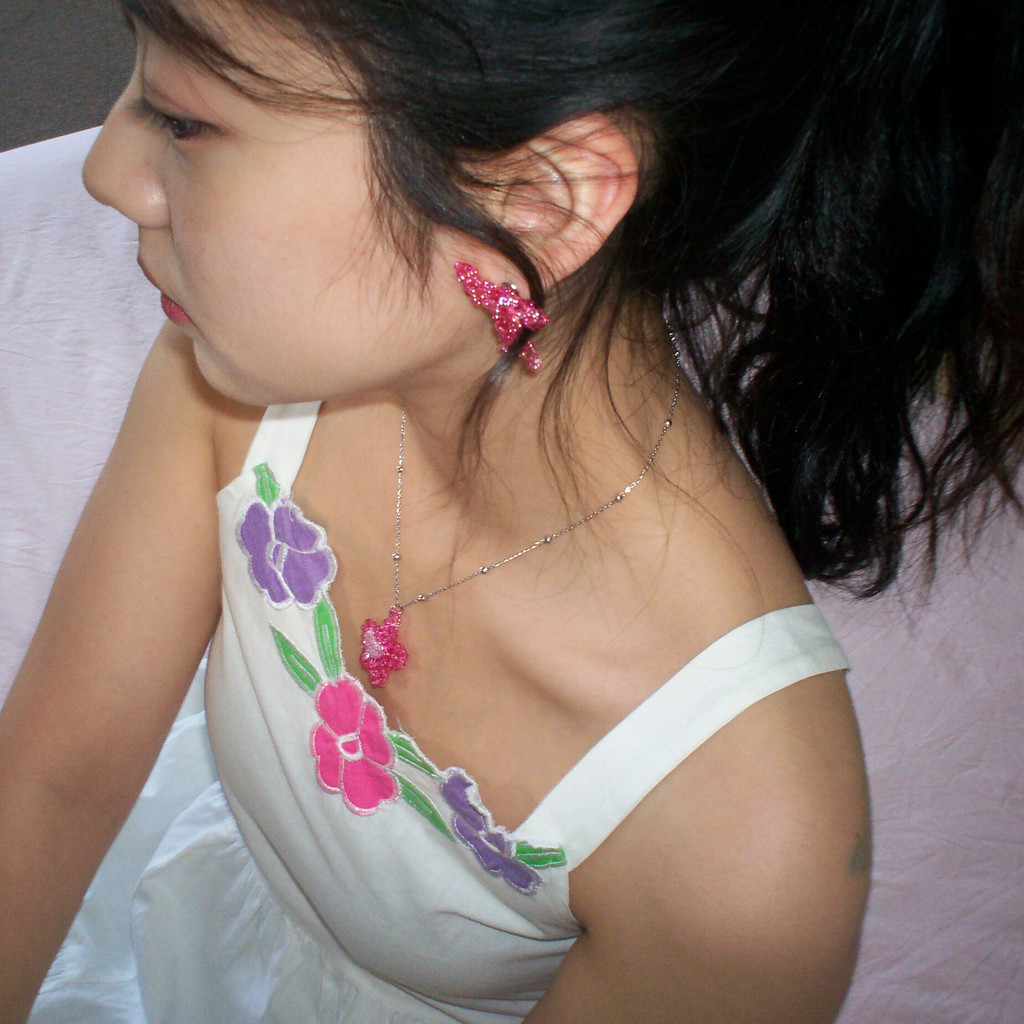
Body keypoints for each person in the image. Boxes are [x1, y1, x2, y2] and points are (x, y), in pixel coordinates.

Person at [1, 0, 1022, 1021]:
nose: (105, 169)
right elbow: (55, 780)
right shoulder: (243, 366)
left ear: (540, 199)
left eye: (183, 118)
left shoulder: (740, 833)